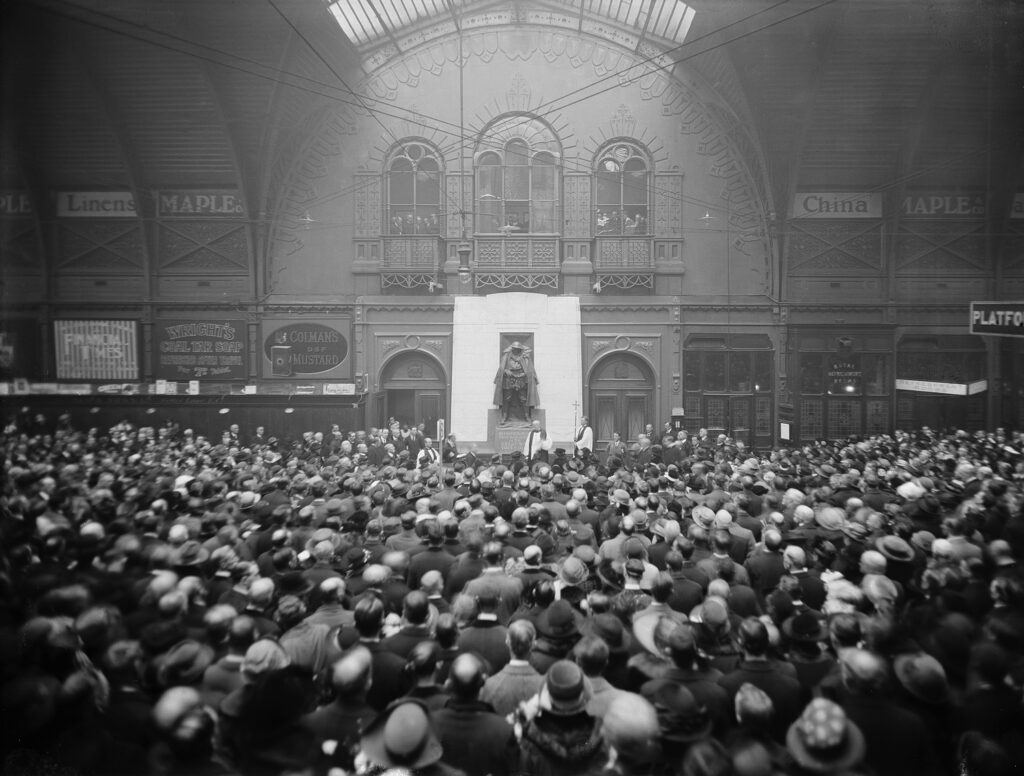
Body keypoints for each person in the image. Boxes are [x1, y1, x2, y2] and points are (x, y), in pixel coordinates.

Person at [494, 341, 540, 423]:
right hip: (509, 379)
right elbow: (501, 369)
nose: (516, 350)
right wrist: (505, 371)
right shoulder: (506, 356)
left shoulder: (525, 357)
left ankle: (526, 416)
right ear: (512, 349)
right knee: (507, 398)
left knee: (523, 398)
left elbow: (529, 369)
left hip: (522, 379)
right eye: (514, 349)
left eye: (518, 349)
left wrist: (525, 374)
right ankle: (504, 416)